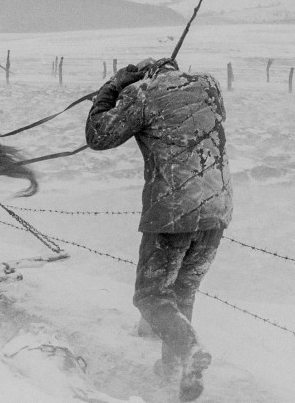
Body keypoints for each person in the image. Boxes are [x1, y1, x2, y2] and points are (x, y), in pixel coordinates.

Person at [85, 58, 233, 402]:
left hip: (173, 212)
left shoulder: (141, 93)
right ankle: (175, 373)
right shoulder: (209, 84)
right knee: (183, 292)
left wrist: (113, 87)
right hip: (218, 208)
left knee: (151, 296)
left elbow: (98, 135)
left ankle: (190, 348)